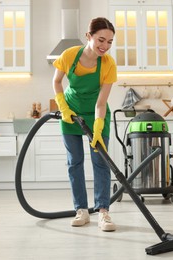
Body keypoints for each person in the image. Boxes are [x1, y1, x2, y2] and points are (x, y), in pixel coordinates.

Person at [52, 17, 117, 231]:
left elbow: (101, 102)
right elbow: (57, 81)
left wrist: (98, 127)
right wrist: (63, 106)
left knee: (100, 162)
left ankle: (103, 212)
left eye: (109, 42)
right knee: (75, 162)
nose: (105, 46)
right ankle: (81, 210)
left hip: (96, 113)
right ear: (88, 36)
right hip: (71, 112)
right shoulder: (69, 55)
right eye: (101, 40)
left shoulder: (108, 64)